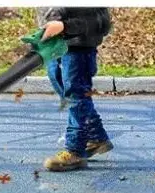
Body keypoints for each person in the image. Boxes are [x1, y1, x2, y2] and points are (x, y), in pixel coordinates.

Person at [38, 8, 113, 171]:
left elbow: (101, 22)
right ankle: (96, 137)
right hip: (55, 45)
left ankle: (75, 151)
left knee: (76, 96)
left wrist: (65, 26)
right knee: (65, 90)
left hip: (78, 48)